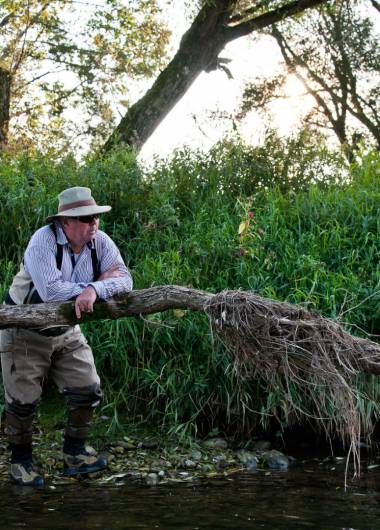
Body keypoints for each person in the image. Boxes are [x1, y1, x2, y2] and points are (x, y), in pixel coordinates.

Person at [0, 186, 133, 486]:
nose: (93, 224)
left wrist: (94, 290)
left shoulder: (100, 241)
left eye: (95, 218)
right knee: (23, 402)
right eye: (85, 219)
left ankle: (75, 454)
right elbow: (51, 291)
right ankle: (20, 464)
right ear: (65, 223)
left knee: (87, 388)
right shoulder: (42, 242)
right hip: (24, 329)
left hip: (68, 328)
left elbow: (126, 279)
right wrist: (93, 283)